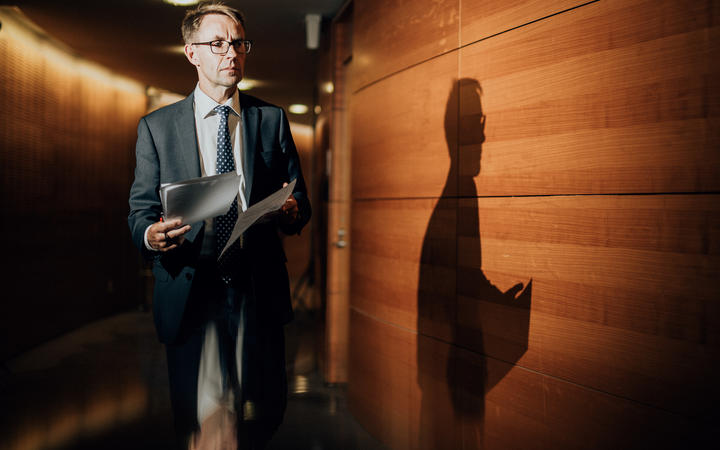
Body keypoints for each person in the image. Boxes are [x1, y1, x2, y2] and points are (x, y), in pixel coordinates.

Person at [127, 2, 311, 448]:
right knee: (200, 421)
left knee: (262, 414)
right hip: (192, 288)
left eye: (238, 43)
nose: (232, 53)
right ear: (192, 53)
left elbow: (300, 198)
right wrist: (151, 235)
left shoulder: (270, 120)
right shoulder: (157, 128)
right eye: (217, 43)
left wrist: (291, 211)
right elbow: (140, 212)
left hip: (256, 288)